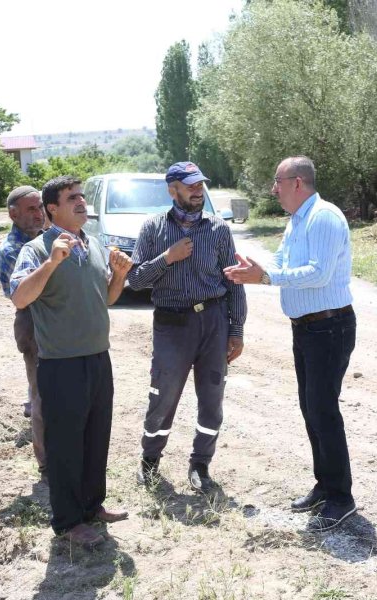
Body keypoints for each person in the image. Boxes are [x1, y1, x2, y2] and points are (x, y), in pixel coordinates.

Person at [224, 156, 357, 532]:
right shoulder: (298, 220)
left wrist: (265, 277)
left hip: (330, 327)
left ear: (297, 182)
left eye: (277, 182)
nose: (273, 189)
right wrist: (255, 269)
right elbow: (282, 261)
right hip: (307, 328)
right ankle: (325, 484)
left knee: (323, 410)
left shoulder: (324, 217)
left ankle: (341, 498)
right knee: (310, 408)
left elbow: (319, 273)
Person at [10, 175, 132, 548]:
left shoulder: (92, 245)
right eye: (72, 198)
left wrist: (121, 277)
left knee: (97, 436)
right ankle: (68, 521)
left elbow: (105, 299)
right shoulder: (36, 249)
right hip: (60, 364)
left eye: (81, 196)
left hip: (98, 357)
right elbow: (19, 297)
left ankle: (93, 506)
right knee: (65, 445)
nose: (82, 202)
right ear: (52, 209)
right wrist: (51, 263)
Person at [127, 162, 246, 493]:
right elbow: (135, 280)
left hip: (213, 321)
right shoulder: (153, 229)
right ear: (172, 189)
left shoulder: (218, 229)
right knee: (162, 397)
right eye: (190, 185)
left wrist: (236, 329)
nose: (198, 190)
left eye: (200, 185)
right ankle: (150, 461)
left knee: (212, 397)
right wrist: (168, 257)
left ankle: (200, 465)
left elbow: (234, 281)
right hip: (172, 323)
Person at [0, 185, 47, 477]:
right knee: (41, 395)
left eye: (40, 207)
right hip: (32, 321)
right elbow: (32, 294)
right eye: (31, 209)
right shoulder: (11, 250)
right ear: (13, 214)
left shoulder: (41, 240)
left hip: (50, 321)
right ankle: (46, 462)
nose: (38, 214)